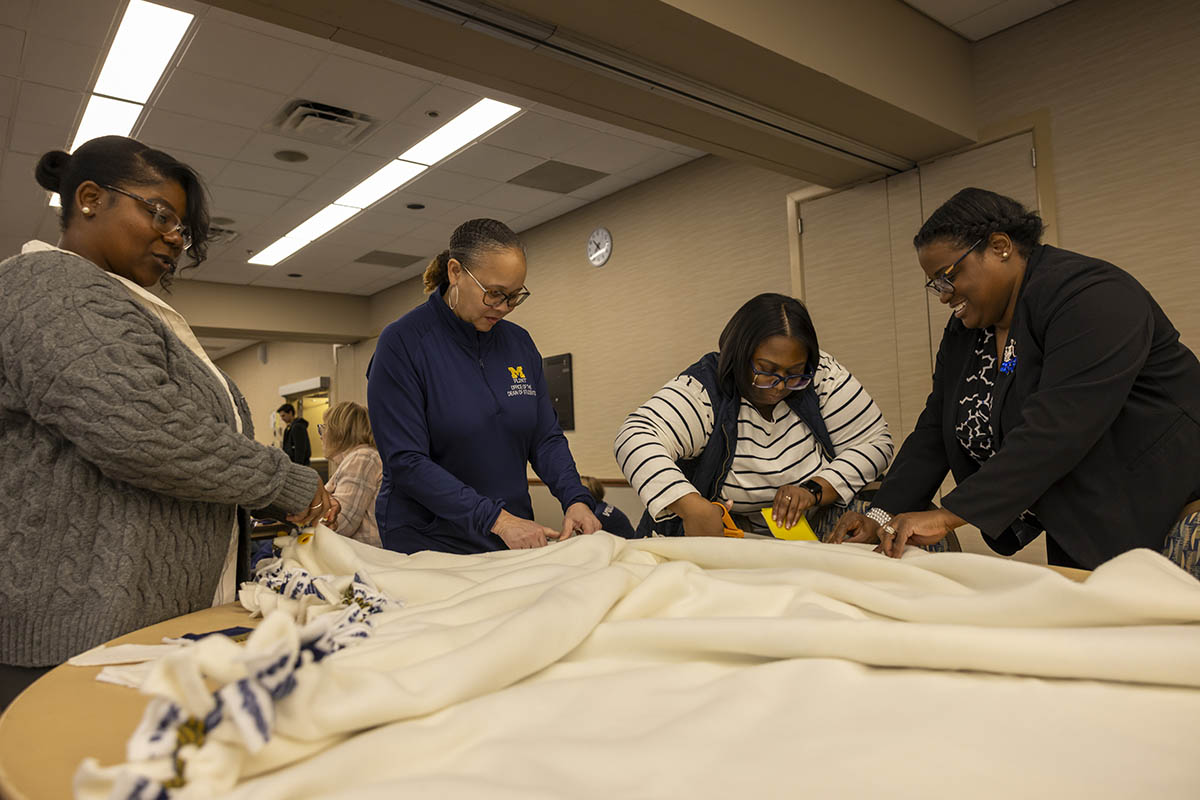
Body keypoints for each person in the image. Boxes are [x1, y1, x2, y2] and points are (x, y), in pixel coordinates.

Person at [0, 136, 333, 711]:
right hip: (74, 636)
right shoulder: (52, 287)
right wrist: (284, 484)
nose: (174, 240)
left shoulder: (114, 299)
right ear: (88, 199)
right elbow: (143, 430)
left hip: (131, 624)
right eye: (160, 215)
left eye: (183, 231)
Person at [830, 188, 1200, 568]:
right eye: (936, 285)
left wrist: (949, 514)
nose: (943, 296)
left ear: (1000, 246)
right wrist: (880, 514)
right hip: (1083, 515)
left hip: (1167, 510)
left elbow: (1059, 426)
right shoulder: (968, 331)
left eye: (947, 276)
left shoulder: (1092, 296)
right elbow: (935, 430)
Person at [366, 219, 601, 554]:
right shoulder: (403, 344)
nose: (504, 307)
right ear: (455, 272)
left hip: (509, 534)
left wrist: (575, 498)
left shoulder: (518, 344)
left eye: (515, 296)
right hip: (429, 539)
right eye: (494, 293)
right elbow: (406, 461)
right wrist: (497, 520)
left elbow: (544, 437)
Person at [616, 293, 894, 538]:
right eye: (766, 370)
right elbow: (634, 436)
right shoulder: (704, 391)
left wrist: (815, 489)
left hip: (807, 539)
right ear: (738, 355)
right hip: (725, 539)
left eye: (795, 374)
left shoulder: (822, 377)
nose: (781, 386)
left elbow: (877, 443)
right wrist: (691, 506)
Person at [319, 401, 383, 547]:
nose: (321, 436)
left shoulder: (362, 459)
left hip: (363, 555)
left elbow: (340, 524)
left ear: (339, 432)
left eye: (323, 428)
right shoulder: (362, 457)